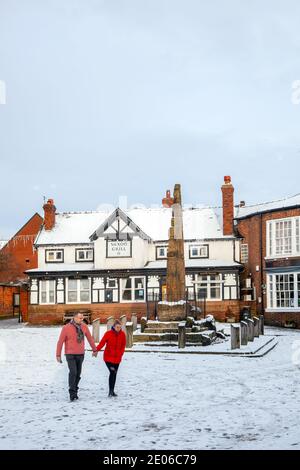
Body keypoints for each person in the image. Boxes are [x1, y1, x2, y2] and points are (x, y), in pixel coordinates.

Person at [56, 312, 98, 401]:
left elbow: (90, 338)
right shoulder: (66, 327)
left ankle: (75, 391)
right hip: (70, 354)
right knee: (73, 372)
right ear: (74, 318)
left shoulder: (84, 327)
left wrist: (94, 349)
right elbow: (60, 341)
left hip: (80, 354)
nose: (81, 320)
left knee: (78, 374)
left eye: (82, 318)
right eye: (80, 318)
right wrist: (58, 355)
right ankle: (72, 393)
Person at [96, 319, 126, 397]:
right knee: (112, 372)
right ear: (113, 326)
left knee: (114, 374)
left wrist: (121, 354)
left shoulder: (122, 334)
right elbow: (102, 342)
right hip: (108, 357)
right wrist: (96, 350)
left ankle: (112, 391)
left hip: (117, 358)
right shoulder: (108, 334)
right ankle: (110, 392)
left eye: (120, 327)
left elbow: (123, 345)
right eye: (117, 327)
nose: (118, 329)